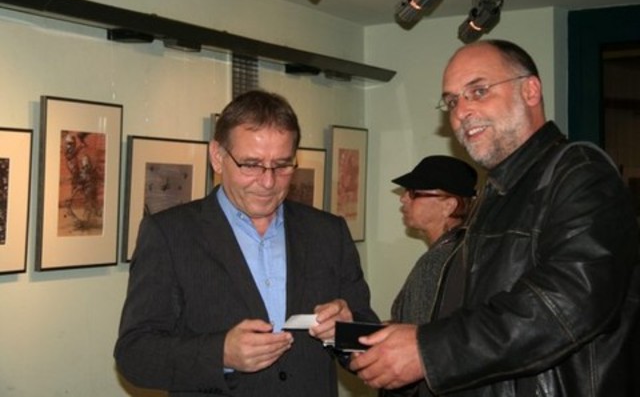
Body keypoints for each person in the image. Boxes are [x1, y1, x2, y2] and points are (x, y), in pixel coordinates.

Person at [350, 39, 640, 396]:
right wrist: (371, 338)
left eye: (479, 91)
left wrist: (429, 352)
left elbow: (568, 302)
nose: (461, 111)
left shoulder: (581, 173)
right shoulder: (497, 192)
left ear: (530, 91)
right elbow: (479, 322)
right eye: (452, 101)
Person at [114, 89, 378, 397]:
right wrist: (221, 354)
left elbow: (368, 340)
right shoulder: (169, 234)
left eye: (282, 165)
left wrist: (346, 330)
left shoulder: (328, 232)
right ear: (217, 157)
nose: (268, 182)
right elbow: (135, 354)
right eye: (251, 164)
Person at [383, 155, 477, 397]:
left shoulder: (437, 261)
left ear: (449, 205)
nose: (403, 198)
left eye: (414, 193)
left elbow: (418, 338)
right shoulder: (468, 250)